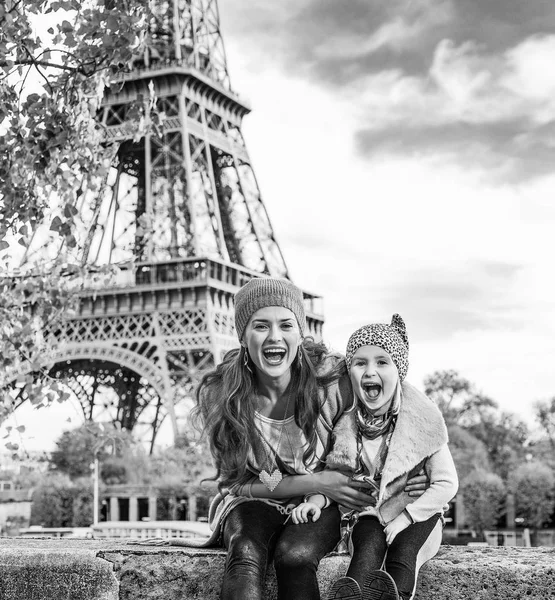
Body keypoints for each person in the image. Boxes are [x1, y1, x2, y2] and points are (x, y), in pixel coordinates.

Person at [191, 279, 428, 600]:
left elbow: (388, 403)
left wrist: (416, 465)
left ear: (299, 332)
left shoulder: (331, 378)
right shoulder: (224, 392)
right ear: (243, 335)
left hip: (323, 500)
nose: (275, 336)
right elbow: (242, 478)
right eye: (260, 325)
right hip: (258, 492)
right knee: (245, 552)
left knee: (296, 555)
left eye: (286, 325)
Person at [291, 314, 458, 600]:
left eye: (382, 362)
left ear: (399, 370)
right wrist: (315, 502)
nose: (370, 371)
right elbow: (338, 480)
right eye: (360, 362)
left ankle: (397, 595)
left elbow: (446, 484)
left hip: (418, 514)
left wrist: (405, 518)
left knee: (403, 556)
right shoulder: (346, 426)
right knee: (365, 548)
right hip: (372, 514)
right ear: (350, 373)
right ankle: (352, 594)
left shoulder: (423, 422)